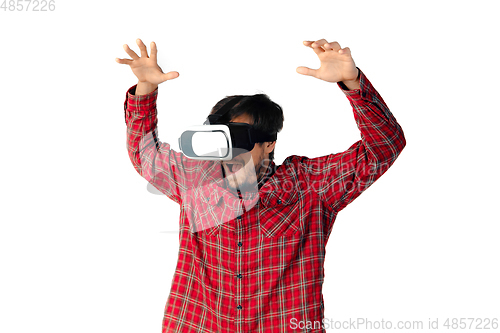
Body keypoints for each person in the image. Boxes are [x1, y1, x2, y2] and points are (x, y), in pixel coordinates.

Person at [116, 38, 406, 333]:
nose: (230, 157)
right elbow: (145, 155)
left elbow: (384, 148)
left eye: (240, 142)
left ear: (269, 143)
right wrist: (146, 89)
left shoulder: (310, 186)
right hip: (198, 324)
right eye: (222, 143)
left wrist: (352, 83)